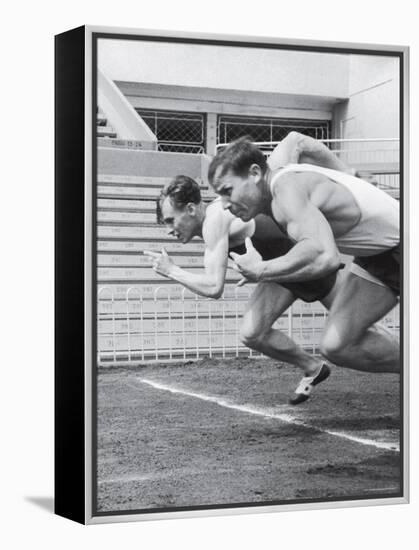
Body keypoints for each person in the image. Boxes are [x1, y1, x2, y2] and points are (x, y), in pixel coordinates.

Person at [208, 133, 400, 380]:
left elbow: (324, 257)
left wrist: (261, 270)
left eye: (227, 191)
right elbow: (297, 140)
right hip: (375, 256)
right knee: (337, 345)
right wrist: (348, 172)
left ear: (255, 173)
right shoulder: (274, 182)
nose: (224, 204)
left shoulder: (285, 189)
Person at [145, 175, 341, 404]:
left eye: (170, 220)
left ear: (190, 208)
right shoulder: (210, 230)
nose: (169, 230)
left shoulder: (214, 219)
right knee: (251, 333)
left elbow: (214, 288)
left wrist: (171, 271)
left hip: (304, 262)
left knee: (355, 333)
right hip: (278, 273)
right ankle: (314, 367)